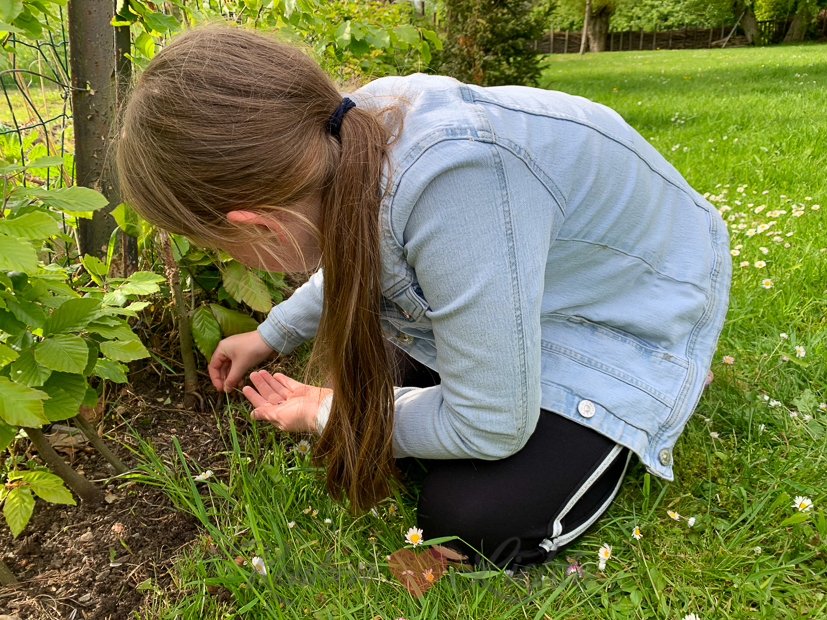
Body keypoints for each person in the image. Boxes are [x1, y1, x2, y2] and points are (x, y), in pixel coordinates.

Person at [115, 24, 731, 568]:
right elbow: (355, 250)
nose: (231, 258)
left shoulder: (455, 187)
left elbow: (492, 425)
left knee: (471, 517)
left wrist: (328, 414)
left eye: (222, 245)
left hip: (622, 310)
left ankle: (652, 391)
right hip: (529, 280)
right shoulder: (340, 136)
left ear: (258, 227)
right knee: (387, 404)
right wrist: (270, 333)